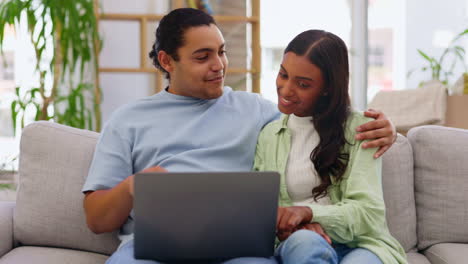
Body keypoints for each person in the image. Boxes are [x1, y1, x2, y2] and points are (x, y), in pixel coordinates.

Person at [82, 8, 397, 264]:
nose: (219, 65)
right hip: (154, 250)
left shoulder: (258, 111)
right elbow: (97, 220)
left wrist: (389, 128)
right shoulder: (128, 119)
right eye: (202, 56)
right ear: (167, 61)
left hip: (238, 249)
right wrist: (134, 186)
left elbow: (316, 125)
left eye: (221, 52)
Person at [253, 29, 407, 264]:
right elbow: (263, 210)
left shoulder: (363, 129)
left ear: (328, 87)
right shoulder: (269, 135)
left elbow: (368, 212)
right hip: (296, 245)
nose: (285, 89)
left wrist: (310, 214)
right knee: (302, 244)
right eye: (283, 75)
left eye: (303, 84)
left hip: (360, 244)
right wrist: (290, 228)